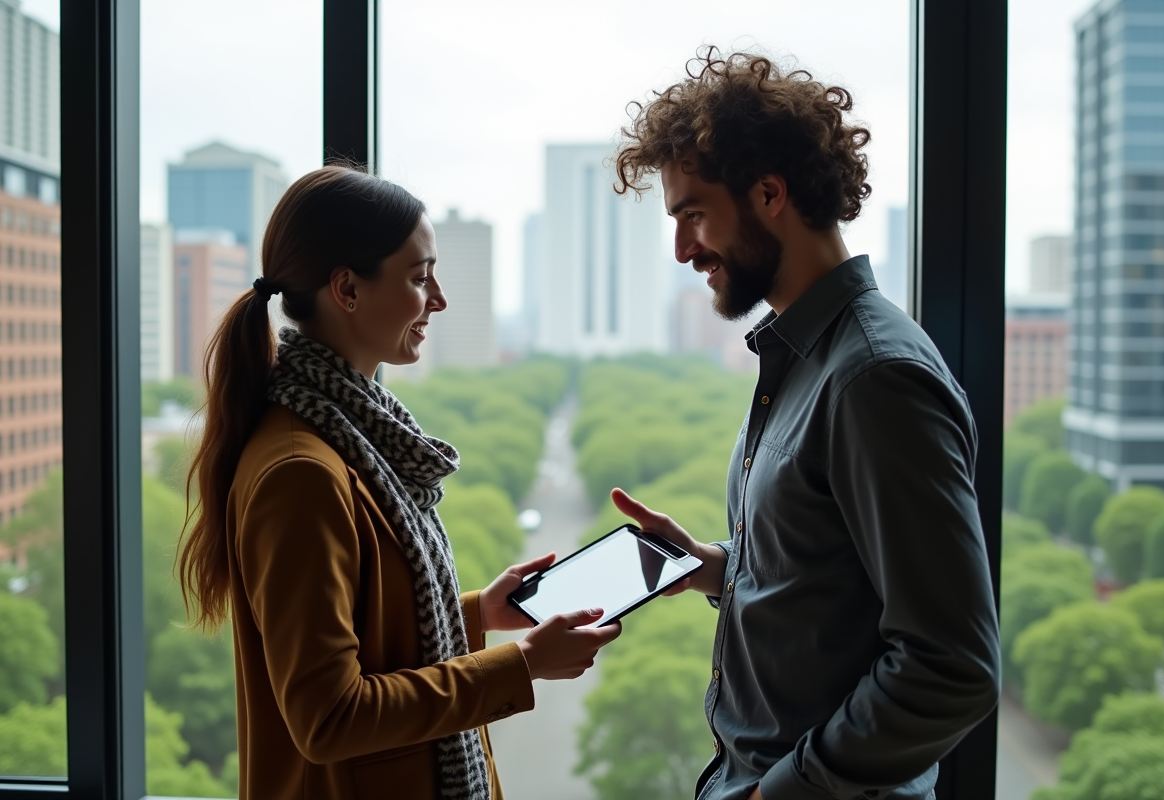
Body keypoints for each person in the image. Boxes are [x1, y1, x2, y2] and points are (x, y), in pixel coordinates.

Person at [609, 50, 1001, 800]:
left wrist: (787, 790)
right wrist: (715, 565)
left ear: (768, 193)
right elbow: (834, 581)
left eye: (693, 213)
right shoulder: (800, 359)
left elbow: (953, 666)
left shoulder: (875, 378)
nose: (683, 250)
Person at [176, 164, 620, 800]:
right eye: (419, 278)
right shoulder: (302, 471)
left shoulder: (346, 435)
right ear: (348, 289)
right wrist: (520, 666)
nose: (437, 300)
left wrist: (475, 613)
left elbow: (360, 636)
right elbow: (329, 717)